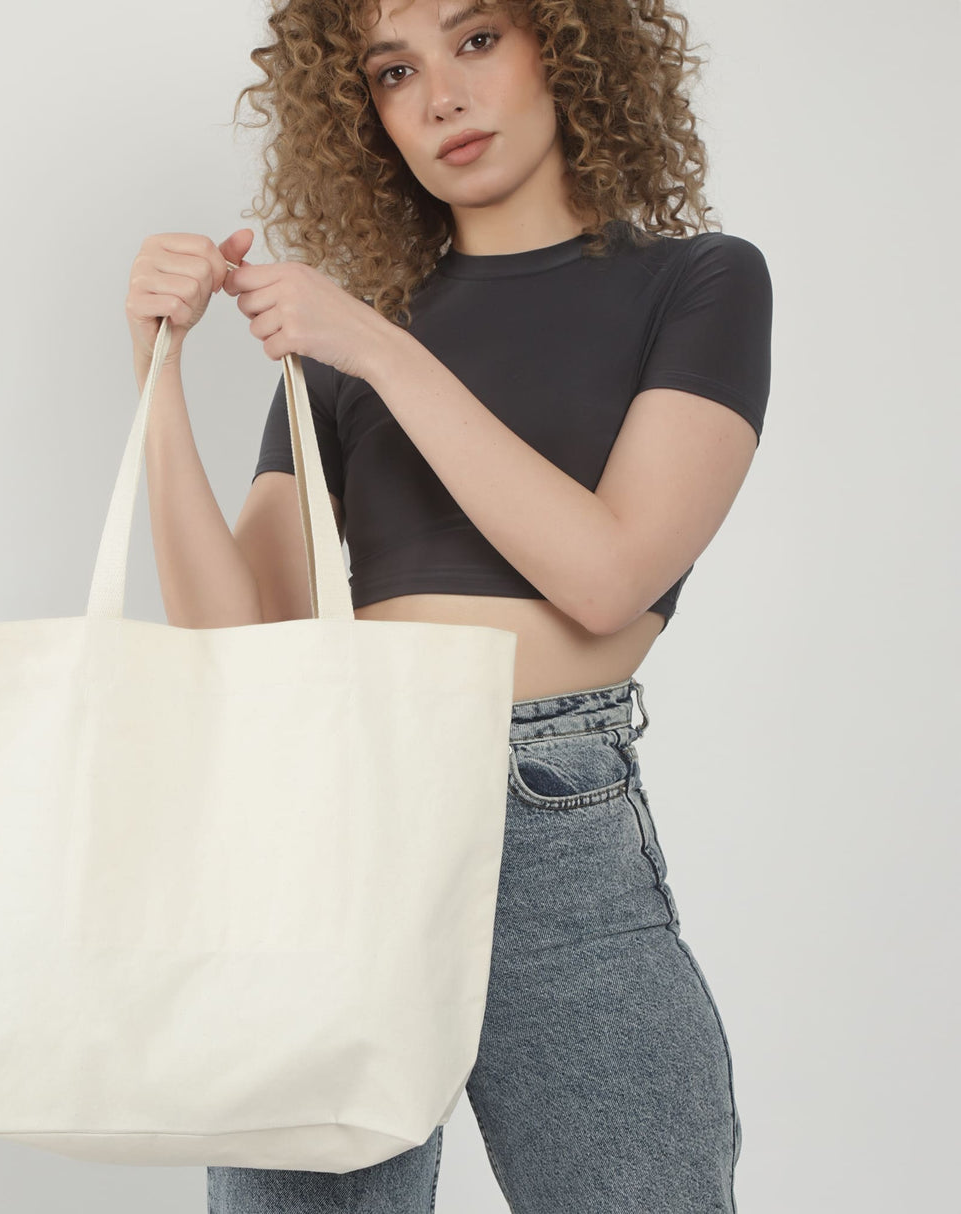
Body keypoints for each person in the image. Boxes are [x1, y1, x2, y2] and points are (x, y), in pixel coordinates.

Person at [125, 1, 770, 1209]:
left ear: (566, 45)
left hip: (549, 815)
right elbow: (237, 654)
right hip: (333, 821)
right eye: (392, 71)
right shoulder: (337, 345)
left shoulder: (697, 282)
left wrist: (375, 345)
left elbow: (607, 572)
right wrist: (153, 372)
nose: (440, 97)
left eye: (476, 40)